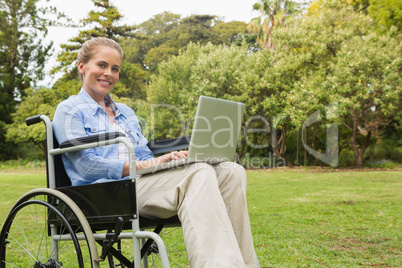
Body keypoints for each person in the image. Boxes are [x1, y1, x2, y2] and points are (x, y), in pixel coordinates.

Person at [53, 37, 259, 268]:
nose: (108, 73)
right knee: (198, 173)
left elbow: (143, 155)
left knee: (231, 171)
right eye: (102, 65)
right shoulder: (69, 109)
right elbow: (85, 166)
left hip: (141, 185)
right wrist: (144, 167)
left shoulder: (126, 112)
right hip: (106, 193)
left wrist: (165, 162)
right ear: (82, 66)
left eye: (115, 68)